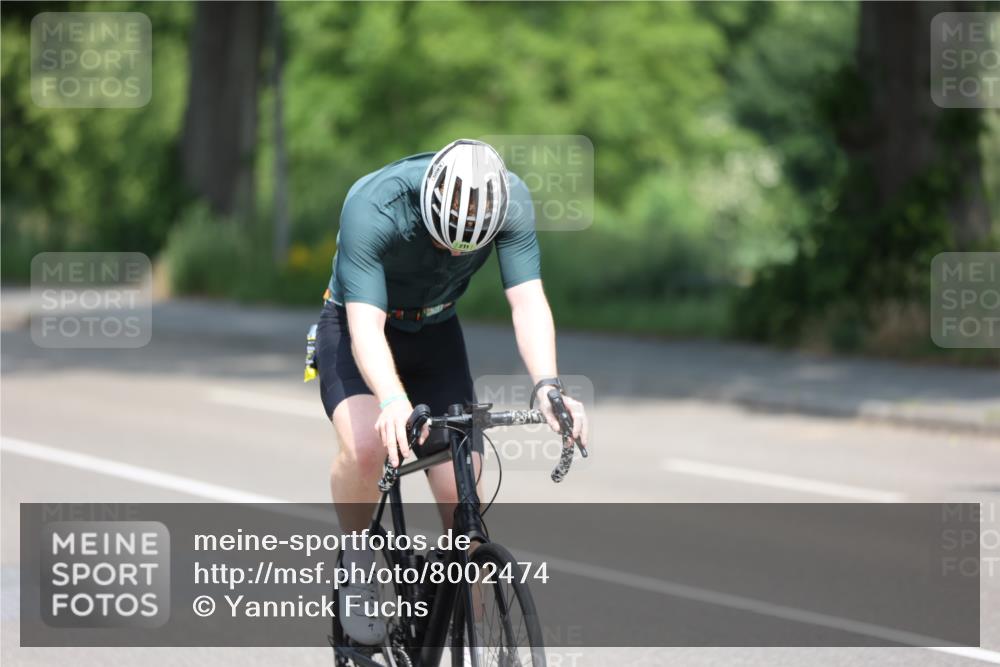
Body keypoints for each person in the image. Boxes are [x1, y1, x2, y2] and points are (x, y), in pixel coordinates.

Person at [315, 139, 588, 644]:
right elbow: (367, 330)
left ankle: (473, 624)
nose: (451, 253)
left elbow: (528, 302)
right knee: (368, 447)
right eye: (443, 241)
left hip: (437, 332)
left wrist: (549, 386)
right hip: (359, 322)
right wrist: (393, 401)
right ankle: (357, 561)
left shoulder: (512, 201)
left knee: (461, 490)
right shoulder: (374, 205)